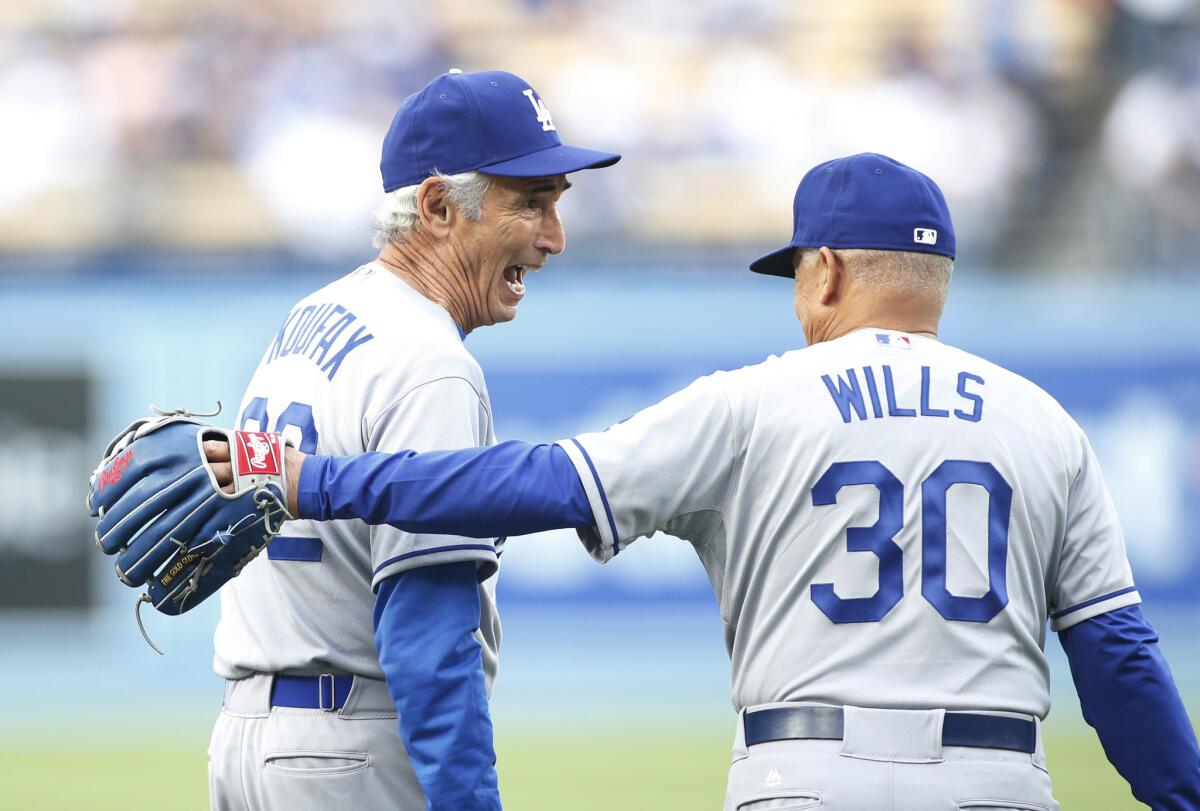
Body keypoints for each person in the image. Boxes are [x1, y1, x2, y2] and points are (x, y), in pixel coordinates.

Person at [205, 153, 1198, 809]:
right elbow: (1119, 665)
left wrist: (312, 479)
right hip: (999, 782)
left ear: (829, 273)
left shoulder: (754, 404)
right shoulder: (1048, 425)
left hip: (803, 776)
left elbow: (533, 484)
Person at [206, 68, 618, 811]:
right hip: (348, 749)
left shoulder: (316, 312)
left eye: (557, 203)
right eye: (530, 203)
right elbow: (428, 634)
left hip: (246, 738)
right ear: (436, 206)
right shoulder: (430, 364)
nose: (554, 238)